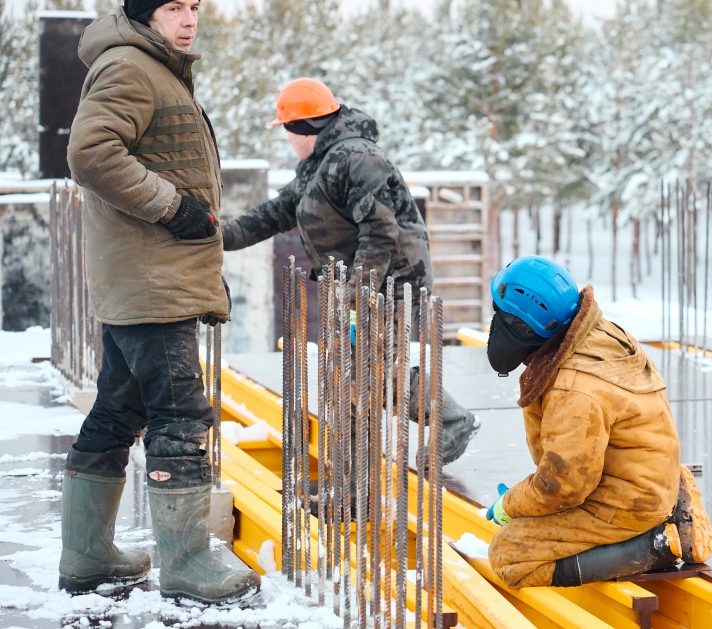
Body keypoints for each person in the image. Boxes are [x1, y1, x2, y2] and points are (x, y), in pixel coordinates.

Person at [62, 0, 260, 603]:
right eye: (175, 6)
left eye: (195, 6)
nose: (190, 17)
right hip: (152, 281)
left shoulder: (154, 67)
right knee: (180, 416)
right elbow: (91, 154)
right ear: (146, 13)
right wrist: (173, 207)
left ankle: (88, 555)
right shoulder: (130, 66)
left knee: (118, 412)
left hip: (145, 278)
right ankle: (186, 563)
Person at [221, 78, 479, 463]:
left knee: (369, 380)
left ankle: (449, 421)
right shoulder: (319, 165)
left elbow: (380, 230)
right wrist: (216, 236)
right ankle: (352, 484)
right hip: (357, 285)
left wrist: (360, 294)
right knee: (351, 380)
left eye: (288, 131)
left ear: (301, 128)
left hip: (387, 282)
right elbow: (275, 214)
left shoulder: (356, 158)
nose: (288, 140)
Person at [483, 256, 712, 589]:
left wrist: (510, 505)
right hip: (642, 475)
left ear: (521, 326)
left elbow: (563, 487)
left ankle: (660, 540)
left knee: (510, 553)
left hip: (629, 502)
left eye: (499, 314)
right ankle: (667, 499)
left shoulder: (575, 389)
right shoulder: (596, 334)